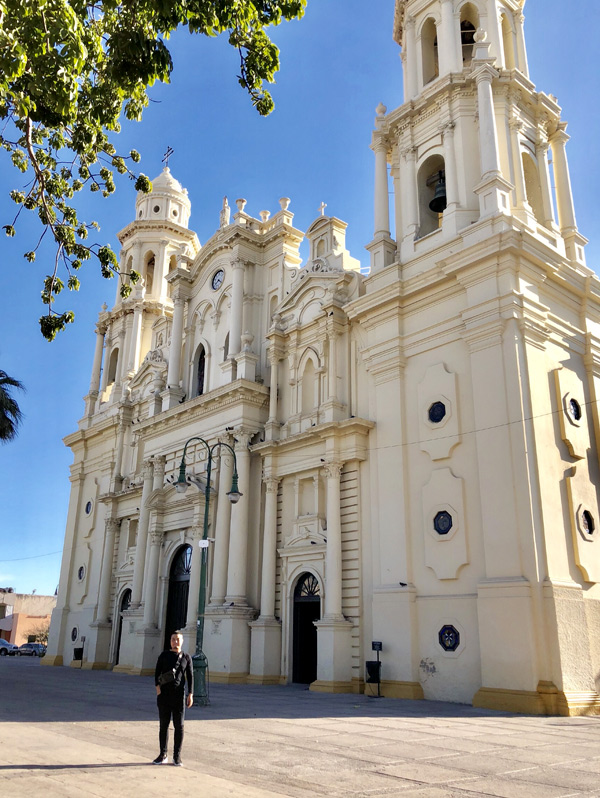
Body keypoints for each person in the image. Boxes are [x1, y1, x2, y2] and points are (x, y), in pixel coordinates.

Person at [153, 631, 193, 766]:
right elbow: (157, 672)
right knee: (163, 725)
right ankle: (162, 754)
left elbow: (190, 676)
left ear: (182, 641)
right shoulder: (164, 655)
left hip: (179, 696)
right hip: (164, 695)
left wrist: (190, 694)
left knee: (179, 726)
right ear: (170, 641)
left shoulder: (186, 657)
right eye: (173, 639)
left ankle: (177, 756)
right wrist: (158, 689)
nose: (175, 642)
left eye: (177, 639)